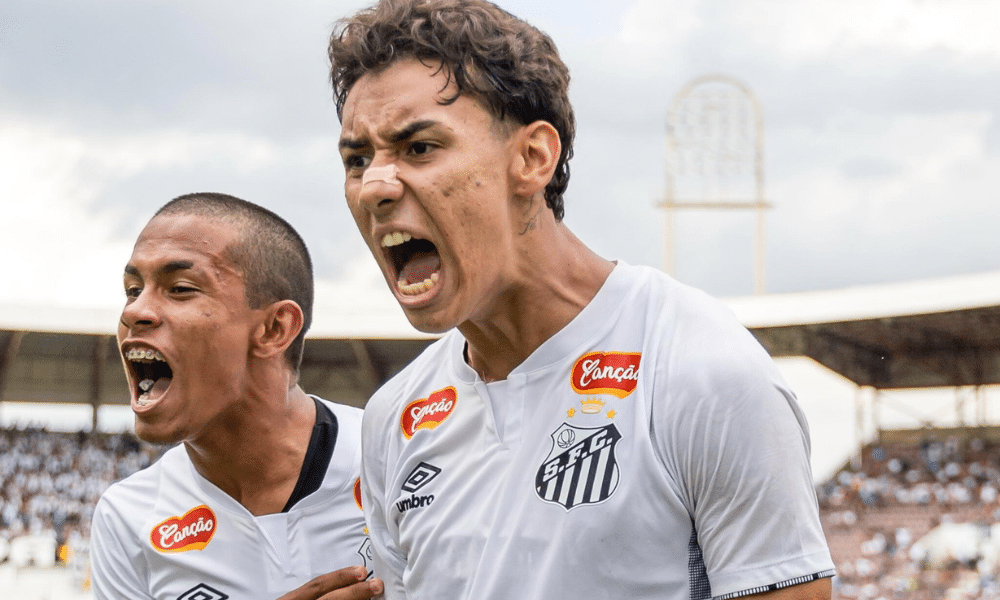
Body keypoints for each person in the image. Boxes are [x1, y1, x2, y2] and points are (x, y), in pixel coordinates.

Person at [328, 1, 835, 599]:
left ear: (532, 158)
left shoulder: (700, 370)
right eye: (358, 160)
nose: (375, 186)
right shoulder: (394, 416)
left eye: (419, 148)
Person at [90, 193, 383, 600]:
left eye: (180, 288)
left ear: (274, 329)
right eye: (133, 290)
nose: (134, 311)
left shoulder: (394, 458)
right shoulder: (127, 516)